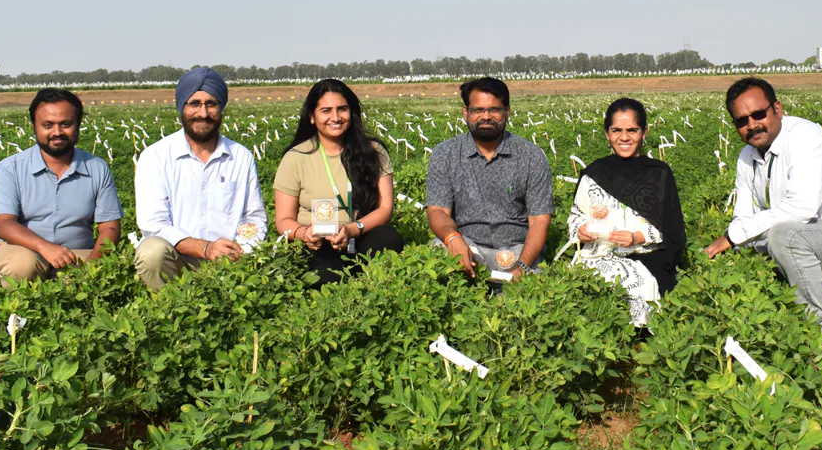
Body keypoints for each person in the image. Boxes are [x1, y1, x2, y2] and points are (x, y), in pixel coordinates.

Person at [704, 77, 822, 353]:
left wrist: (732, 236)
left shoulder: (805, 136)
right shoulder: (745, 157)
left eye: (758, 114)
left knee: (781, 236)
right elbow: (743, 216)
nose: (751, 125)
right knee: (747, 244)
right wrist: (733, 239)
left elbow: (801, 208)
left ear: (778, 109)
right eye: (741, 121)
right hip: (805, 239)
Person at [133, 68, 267, 290]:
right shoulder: (155, 156)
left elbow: (253, 217)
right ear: (182, 107)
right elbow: (154, 224)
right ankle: (167, 308)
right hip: (177, 258)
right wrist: (205, 248)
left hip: (228, 259)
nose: (203, 113)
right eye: (194, 103)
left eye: (211, 104)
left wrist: (242, 249)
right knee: (151, 251)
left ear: (221, 108)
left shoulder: (240, 156)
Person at [565, 98, 686, 326]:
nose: (624, 137)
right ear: (606, 133)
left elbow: (670, 228)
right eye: (616, 130)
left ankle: (636, 340)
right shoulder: (593, 174)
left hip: (645, 257)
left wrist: (636, 237)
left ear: (644, 132)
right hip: (597, 254)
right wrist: (580, 230)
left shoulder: (659, 173)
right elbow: (575, 216)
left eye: (632, 130)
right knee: (582, 289)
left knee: (640, 286)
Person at [273, 79, 404, 285]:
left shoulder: (374, 152)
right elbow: (283, 220)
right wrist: (304, 233)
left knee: (389, 238)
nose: (335, 117)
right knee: (327, 277)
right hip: (317, 243)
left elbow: (386, 208)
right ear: (312, 117)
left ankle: (369, 282)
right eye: (326, 110)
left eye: (342, 109)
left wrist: (351, 229)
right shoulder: (295, 157)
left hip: (360, 234)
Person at [0, 88, 123, 284]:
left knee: (98, 278)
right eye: (48, 125)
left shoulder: (97, 168)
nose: (57, 132)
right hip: (22, 251)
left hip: (77, 256)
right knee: (21, 265)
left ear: (78, 124)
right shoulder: (10, 168)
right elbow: (4, 224)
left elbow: (110, 227)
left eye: (65, 124)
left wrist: (93, 265)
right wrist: (45, 247)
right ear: (34, 125)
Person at [426, 77, 553, 279]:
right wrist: (453, 238)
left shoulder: (531, 156)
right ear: (466, 112)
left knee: (531, 290)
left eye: (494, 109)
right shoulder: (445, 154)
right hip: (467, 246)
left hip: (516, 251)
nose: (486, 116)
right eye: (478, 110)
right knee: (438, 249)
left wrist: (523, 265)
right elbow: (438, 210)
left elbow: (539, 220)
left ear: (507, 112)